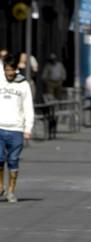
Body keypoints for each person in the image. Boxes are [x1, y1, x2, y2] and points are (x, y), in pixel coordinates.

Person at [0, 54, 34, 203]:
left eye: (11, 70)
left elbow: (28, 107)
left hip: (16, 129)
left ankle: (11, 191)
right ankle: (0, 185)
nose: (8, 73)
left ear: (16, 70)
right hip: (0, 127)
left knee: (13, 160)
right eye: (6, 70)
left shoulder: (23, 84)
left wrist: (28, 128)